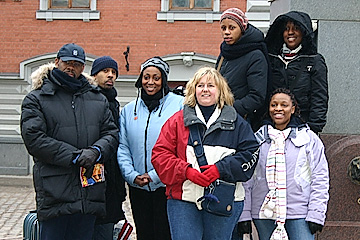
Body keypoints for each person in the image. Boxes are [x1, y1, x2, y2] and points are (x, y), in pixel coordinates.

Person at [20, 43, 119, 240]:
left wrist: (96, 152)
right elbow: (35, 139)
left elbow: (111, 133)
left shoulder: (97, 99)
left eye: (77, 64)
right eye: (67, 62)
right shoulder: (36, 98)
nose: (71, 68)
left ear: (83, 68)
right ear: (57, 62)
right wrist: (75, 157)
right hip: (55, 193)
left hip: (89, 193)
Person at [151, 66, 259, 240]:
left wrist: (219, 170)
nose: (205, 89)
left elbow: (250, 154)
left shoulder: (237, 122)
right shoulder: (177, 121)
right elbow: (160, 155)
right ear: (193, 90)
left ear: (220, 90)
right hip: (183, 200)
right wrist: (186, 171)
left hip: (224, 200)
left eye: (211, 85)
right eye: (200, 85)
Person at [238, 88, 329, 240]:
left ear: (293, 109)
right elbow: (246, 180)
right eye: (274, 105)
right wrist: (244, 214)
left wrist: (316, 214)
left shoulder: (309, 139)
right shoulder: (256, 140)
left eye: (284, 105)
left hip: (299, 212)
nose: (278, 109)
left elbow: (320, 178)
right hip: (264, 213)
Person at [117, 56, 184, 240]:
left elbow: (180, 147)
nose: (150, 82)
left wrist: (155, 175)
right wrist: (131, 175)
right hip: (138, 186)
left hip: (166, 185)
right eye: (146, 77)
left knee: (165, 233)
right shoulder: (129, 110)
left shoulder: (179, 105)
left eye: (156, 77)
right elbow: (123, 146)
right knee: (144, 233)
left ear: (163, 80)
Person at [265, 11, 328, 134]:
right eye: (286, 29)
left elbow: (319, 97)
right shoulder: (272, 58)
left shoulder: (314, 60)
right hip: (273, 126)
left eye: (296, 28)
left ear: (304, 32)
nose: (290, 33)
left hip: (302, 127)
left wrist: (313, 128)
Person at [89, 56, 127, 240]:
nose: (110, 76)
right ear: (94, 75)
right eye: (105, 71)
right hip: (93, 169)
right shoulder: (88, 99)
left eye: (113, 72)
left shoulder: (114, 101)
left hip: (112, 175)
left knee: (107, 228)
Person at [215, 7, 270, 131]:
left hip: (241, 122)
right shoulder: (225, 52)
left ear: (242, 29)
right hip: (220, 118)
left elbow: (257, 96)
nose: (226, 32)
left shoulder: (255, 55)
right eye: (223, 28)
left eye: (232, 28)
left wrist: (229, 109)